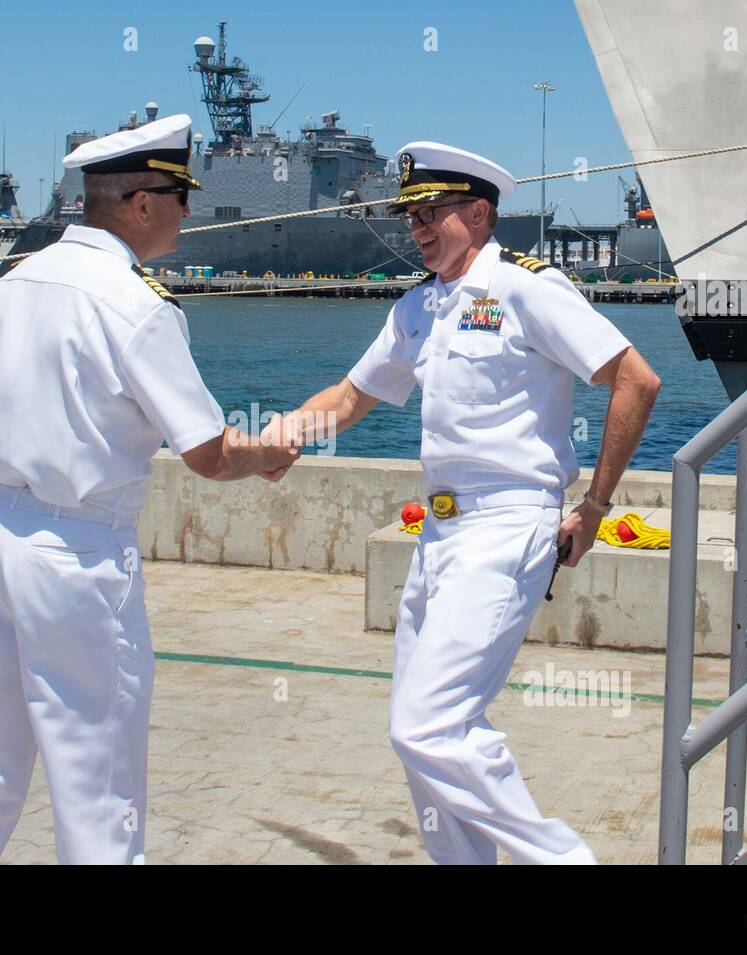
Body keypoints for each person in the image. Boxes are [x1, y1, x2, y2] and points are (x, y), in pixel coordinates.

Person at [0, 114, 297, 865]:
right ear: (142, 203)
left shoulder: (19, 280)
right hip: (76, 556)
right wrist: (269, 451)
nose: (189, 210)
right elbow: (208, 453)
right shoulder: (137, 305)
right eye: (180, 194)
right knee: (97, 785)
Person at [266, 142, 661, 864]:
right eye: (409, 214)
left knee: (431, 726)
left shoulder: (528, 289)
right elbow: (354, 396)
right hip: (441, 534)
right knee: (416, 737)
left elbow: (636, 379)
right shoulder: (420, 304)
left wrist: (597, 506)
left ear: (479, 213)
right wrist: (288, 433)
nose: (415, 228)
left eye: (430, 212)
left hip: (508, 524)